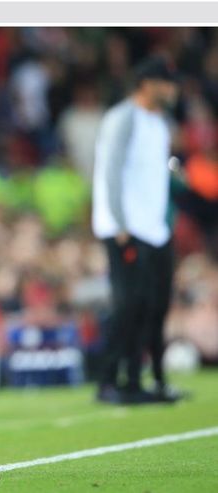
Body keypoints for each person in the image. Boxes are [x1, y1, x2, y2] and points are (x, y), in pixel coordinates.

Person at [92, 55, 181, 404]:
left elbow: (153, 172)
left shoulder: (159, 122)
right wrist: (120, 222)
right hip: (126, 228)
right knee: (128, 304)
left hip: (155, 228)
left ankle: (146, 379)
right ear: (148, 85)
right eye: (166, 83)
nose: (172, 90)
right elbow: (111, 171)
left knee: (154, 306)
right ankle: (110, 381)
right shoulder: (123, 117)